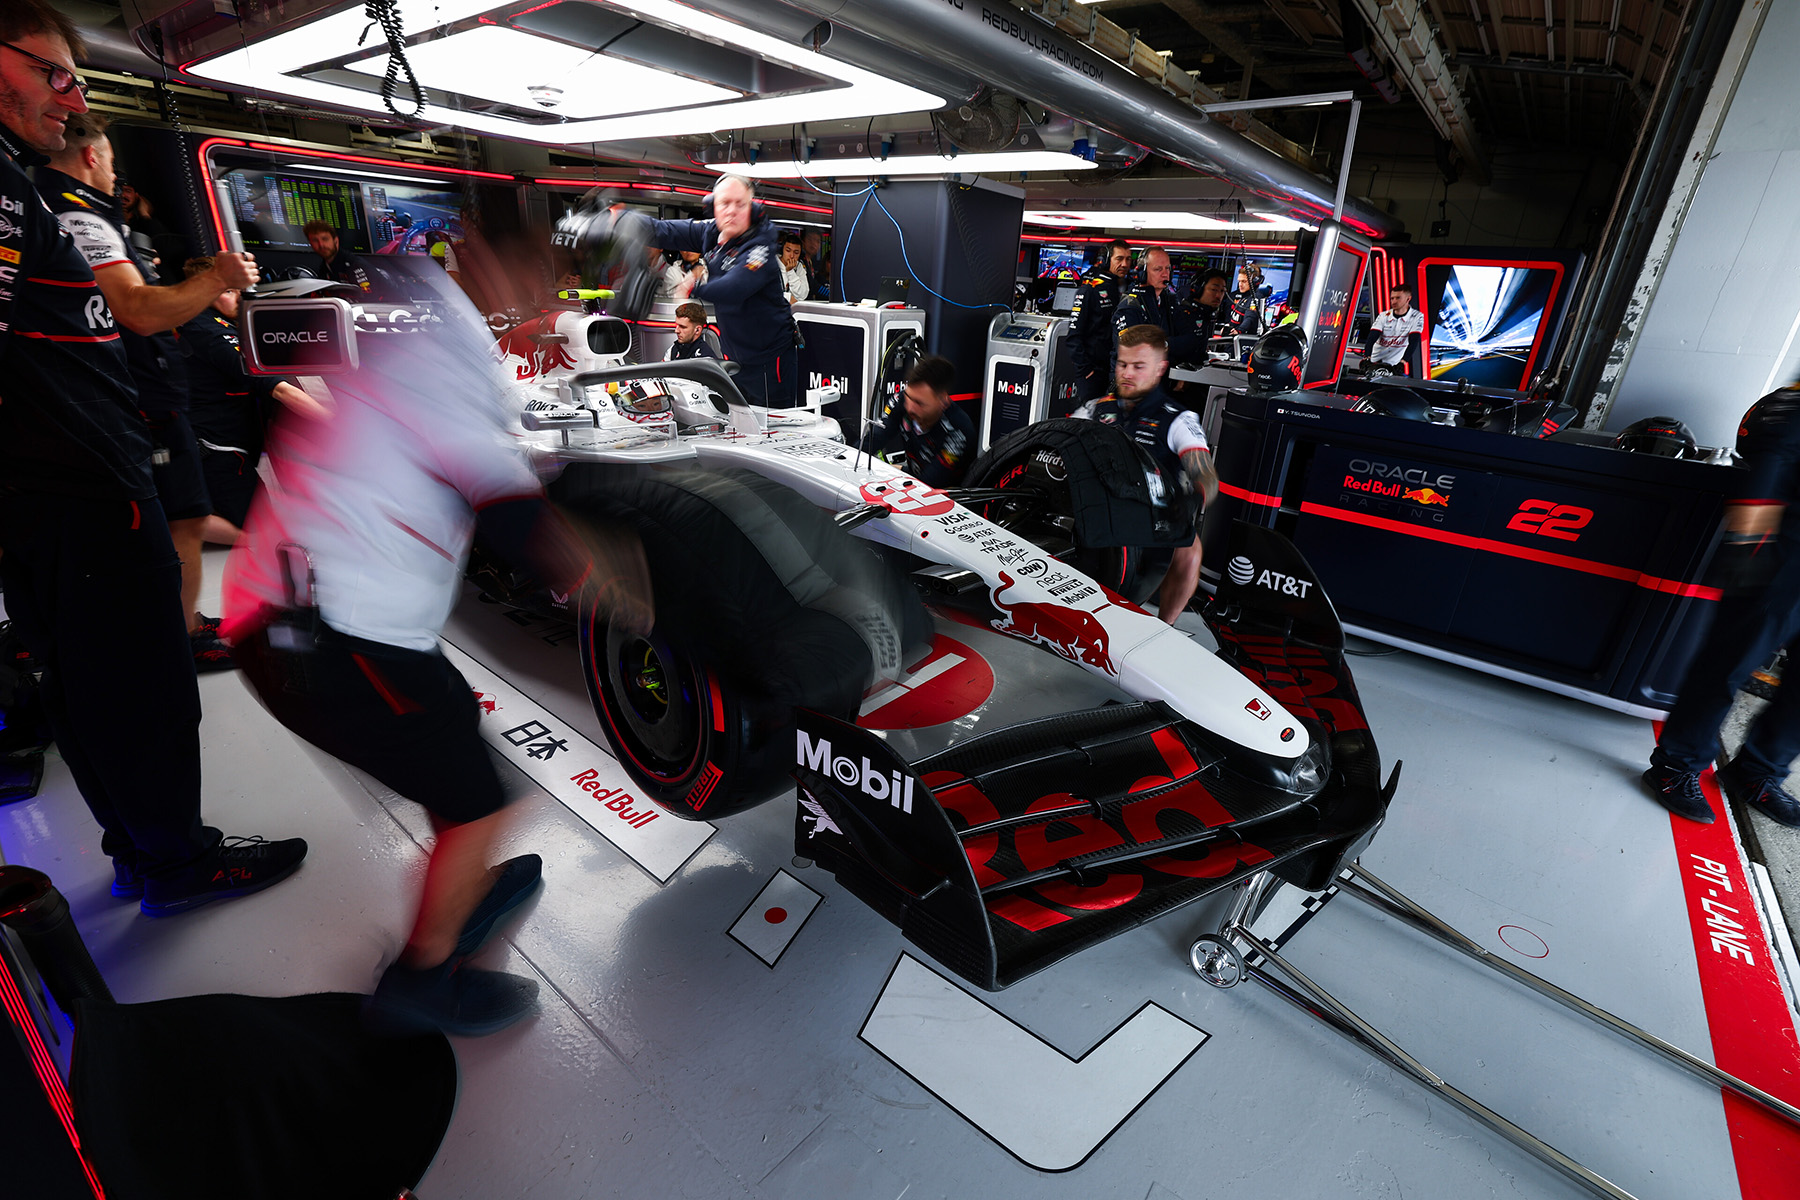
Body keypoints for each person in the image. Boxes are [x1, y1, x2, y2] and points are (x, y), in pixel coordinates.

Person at [224, 257, 653, 1035]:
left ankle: (465, 889)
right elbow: (517, 520)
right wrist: (613, 585)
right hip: (329, 638)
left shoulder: (393, 343)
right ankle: (421, 981)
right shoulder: (448, 366)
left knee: (449, 727)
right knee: (476, 799)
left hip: (293, 609)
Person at [0, 2, 307, 914]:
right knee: (141, 686)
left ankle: (142, 851)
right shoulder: (15, 190)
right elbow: (131, 310)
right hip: (85, 483)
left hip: (55, 486)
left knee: (87, 687)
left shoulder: (23, 185)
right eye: (53, 73)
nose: (72, 99)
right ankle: (178, 861)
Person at [37, 110, 255, 670]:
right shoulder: (78, 216)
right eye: (112, 163)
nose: (116, 177)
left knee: (178, 519)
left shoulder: (63, 210)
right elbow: (136, 310)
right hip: (135, 403)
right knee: (180, 520)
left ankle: (175, 624)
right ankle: (180, 637)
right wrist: (217, 278)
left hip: (117, 399)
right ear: (93, 155)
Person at [1644, 386, 1800, 827]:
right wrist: (1747, 547)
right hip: (1785, 559)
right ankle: (1675, 765)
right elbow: (1773, 462)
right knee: (1729, 663)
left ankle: (1758, 772)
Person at [1073, 325, 1218, 624]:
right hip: (1096, 508)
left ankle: (1164, 627)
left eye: (1138, 366)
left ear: (1160, 369)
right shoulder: (1095, 409)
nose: (1127, 373)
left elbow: (1206, 476)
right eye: (1122, 364)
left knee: (1190, 551)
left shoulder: (1179, 419)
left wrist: (1193, 500)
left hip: (1152, 517)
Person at [176, 256, 324, 544]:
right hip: (217, 447)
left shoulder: (212, 323)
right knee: (262, 530)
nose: (238, 296)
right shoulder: (210, 333)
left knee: (269, 517)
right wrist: (337, 423)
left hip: (227, 441)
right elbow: (280, 389)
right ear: (204, 291)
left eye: (237, 289)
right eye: (228, 290)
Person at [648, 175, 796, 406]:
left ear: (751, 208)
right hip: (735, 356)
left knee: (773, 423)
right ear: (713, 206)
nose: (732, 211)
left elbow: (735, 287)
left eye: (740, 204)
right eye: (725, 203)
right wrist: (618, 222)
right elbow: (663, 230)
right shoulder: (710, 232)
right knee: (739, 419)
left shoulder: (761, 246)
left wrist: (694, 286)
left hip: (769, 360)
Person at [857, 354, 974, 488]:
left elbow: (929, 484)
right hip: (913, 481)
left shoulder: (959, 431)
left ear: (943, 401)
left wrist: (892, 470)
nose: (910, 407)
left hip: (947, 495)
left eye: (919, 403)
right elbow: (873, 439)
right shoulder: (901, 400)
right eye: (909, 396)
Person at [1113, 248, 1205, 370]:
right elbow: (1135, 351)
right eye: (1158, 269)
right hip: (1133, 377)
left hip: (1163, 375)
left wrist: (1163, 344)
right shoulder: (1130, 305)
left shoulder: (1170, 302)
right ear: (1142, 273)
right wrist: (1171, 346)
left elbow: (1191, 341)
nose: (1165, 274)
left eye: (1167, 268)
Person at [1067, 238, 1132, 404]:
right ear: (1105, 260)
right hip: (1092, 374)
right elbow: (1073, 337)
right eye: (1119, 259)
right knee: (1089, 417)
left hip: (1114, 372)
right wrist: (1086, 370)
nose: (1124, 264)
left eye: (1128, 259)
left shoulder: (1126, 291)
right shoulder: (1090, 289)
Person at [1366, 284, 1425, 376]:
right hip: (1375, 360)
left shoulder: (1417, 316)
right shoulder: (1383, 316)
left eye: (1398, 298)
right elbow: (1372, 337)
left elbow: (1414, 341)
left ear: (1408, 299)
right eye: (1392, 298)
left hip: (1394, 365)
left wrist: (1403, 362)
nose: (1394, 301)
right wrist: (1367, 357)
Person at [304, 218, 373, 292]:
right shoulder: (323, 268)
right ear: (310, 244)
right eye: (315, 241)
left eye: (325, 239)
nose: (321, 245)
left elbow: (371, 295)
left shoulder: (354, 264)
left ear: (336, 241)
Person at [1230, 265, 1266, 337]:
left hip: (1243, 338)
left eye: (1244, 281)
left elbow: (1250, 318)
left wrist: (1239, 330)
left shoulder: (1255, 297)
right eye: (1239, 281)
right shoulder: (1244, 296)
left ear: (1254, 281)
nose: (1240, 285)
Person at [777, 230, 809, 306]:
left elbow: (802, 295)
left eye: (796, 252)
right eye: (788, 251)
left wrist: (790, 272)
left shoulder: (799, 267)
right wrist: (788, 298)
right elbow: (768, 292)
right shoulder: (772, 264)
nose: (792, 256)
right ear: (782, 250)